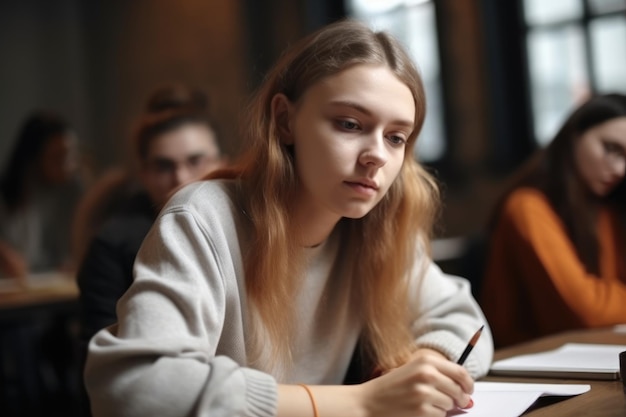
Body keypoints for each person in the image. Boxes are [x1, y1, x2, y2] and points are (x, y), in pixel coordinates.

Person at [85, 20, 493, 417]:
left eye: (396, 137)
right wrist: (361, 404)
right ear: (284, 121)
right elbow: (138, 388)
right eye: (349, 124)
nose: (378, 157)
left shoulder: (377, 226)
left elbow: (463, 320)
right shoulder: (203, 217)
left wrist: (421, 370)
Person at [76, 83, 224, 347]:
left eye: (195, 161)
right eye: (164, 166)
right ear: (144, 173)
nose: (181, 177)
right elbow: (101, 357)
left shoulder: (248, 222)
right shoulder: (111, 244)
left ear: (222, 162)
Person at [480, 93, 626, 348]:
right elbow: (590, 311)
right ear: (575, 135)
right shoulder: (527, 207)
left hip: (585, 357)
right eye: (611, 148)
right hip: (521, 367)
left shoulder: (605, 209)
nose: (619, 169)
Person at [0, 110, 84, 278]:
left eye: (71, 154)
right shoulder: (8, 193)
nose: (68, 165)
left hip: (50, 285)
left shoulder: (73, 190)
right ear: (34, 158)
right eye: (58, 157)